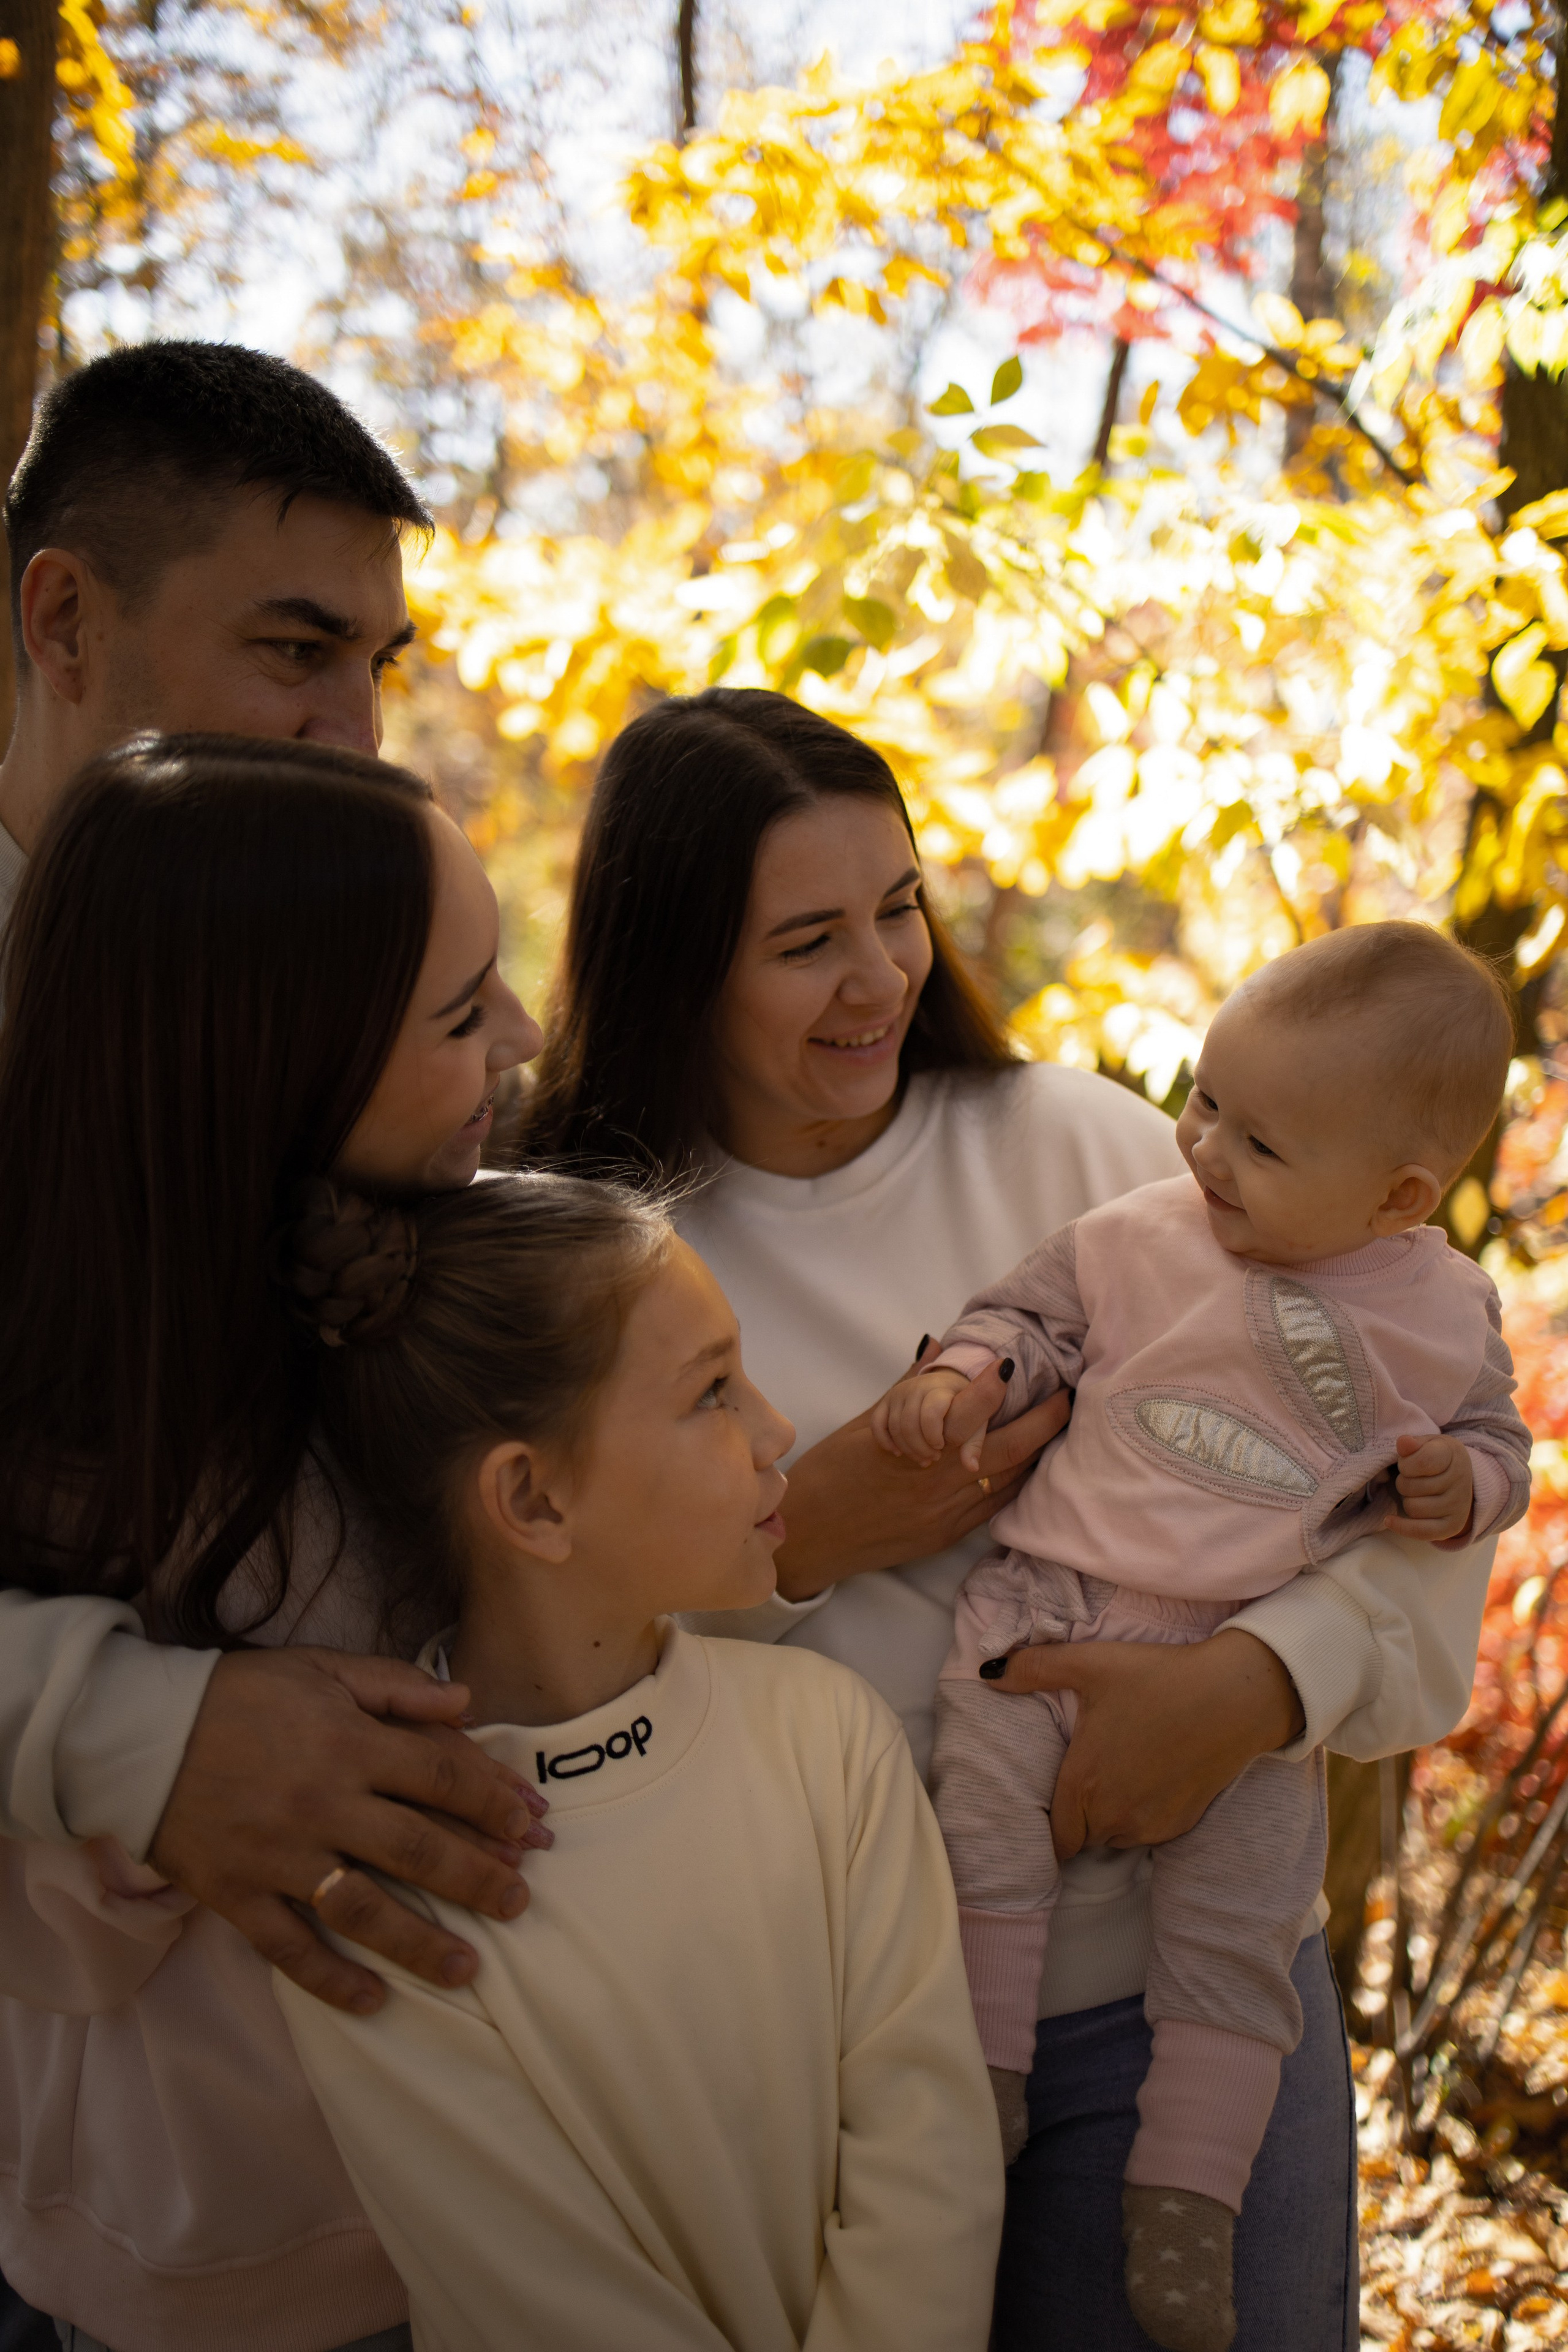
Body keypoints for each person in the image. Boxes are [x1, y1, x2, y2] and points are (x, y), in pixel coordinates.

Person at [519, 686, 1501, 2352]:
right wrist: (806, 1534)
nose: (882, 977)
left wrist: (1256, 1685)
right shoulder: (572, 1259)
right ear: (673, 958)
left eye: (899, 909)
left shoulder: (1106, 1155)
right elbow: (529, 1679)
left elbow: (1419, 1554)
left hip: (1173, 2011)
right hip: (800, 2057)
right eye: (805, 940)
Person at [877, 921, 1529, 2351]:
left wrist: (1454, 1485)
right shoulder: (1134, 1235)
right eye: (1205, 1101)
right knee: (984, 1832)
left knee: (1233, 1942)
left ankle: (1186, 2196)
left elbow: (1497, 1450)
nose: (1203, 1151)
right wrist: (965, 1374)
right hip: (1042, 1609)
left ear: (1399, 1194)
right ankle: (982, 2084)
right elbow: (1026, 1319)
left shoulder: (1439, 1312)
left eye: (1259, 1144)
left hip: (1231, 1671)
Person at [0, 342, 533, 2030]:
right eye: (296, 650)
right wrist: (128, 1734)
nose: (357, 731)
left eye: (380, 662)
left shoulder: (361, 998)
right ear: (66, 621)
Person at [0, 737, 544, 2351]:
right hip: (184, 2294)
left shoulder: (454, 1308)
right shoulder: (68, 1422)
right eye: (462, 1014)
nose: (523, 1037)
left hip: (512, 2244)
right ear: (267, 1060)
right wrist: (129, 1799)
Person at [262, 1173, 1000, 2351]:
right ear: (534, 1499)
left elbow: (930, 2170)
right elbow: (540, 2295)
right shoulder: (384, 1889)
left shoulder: (831, 1742)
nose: (778, 1429)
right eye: (712, 1390)